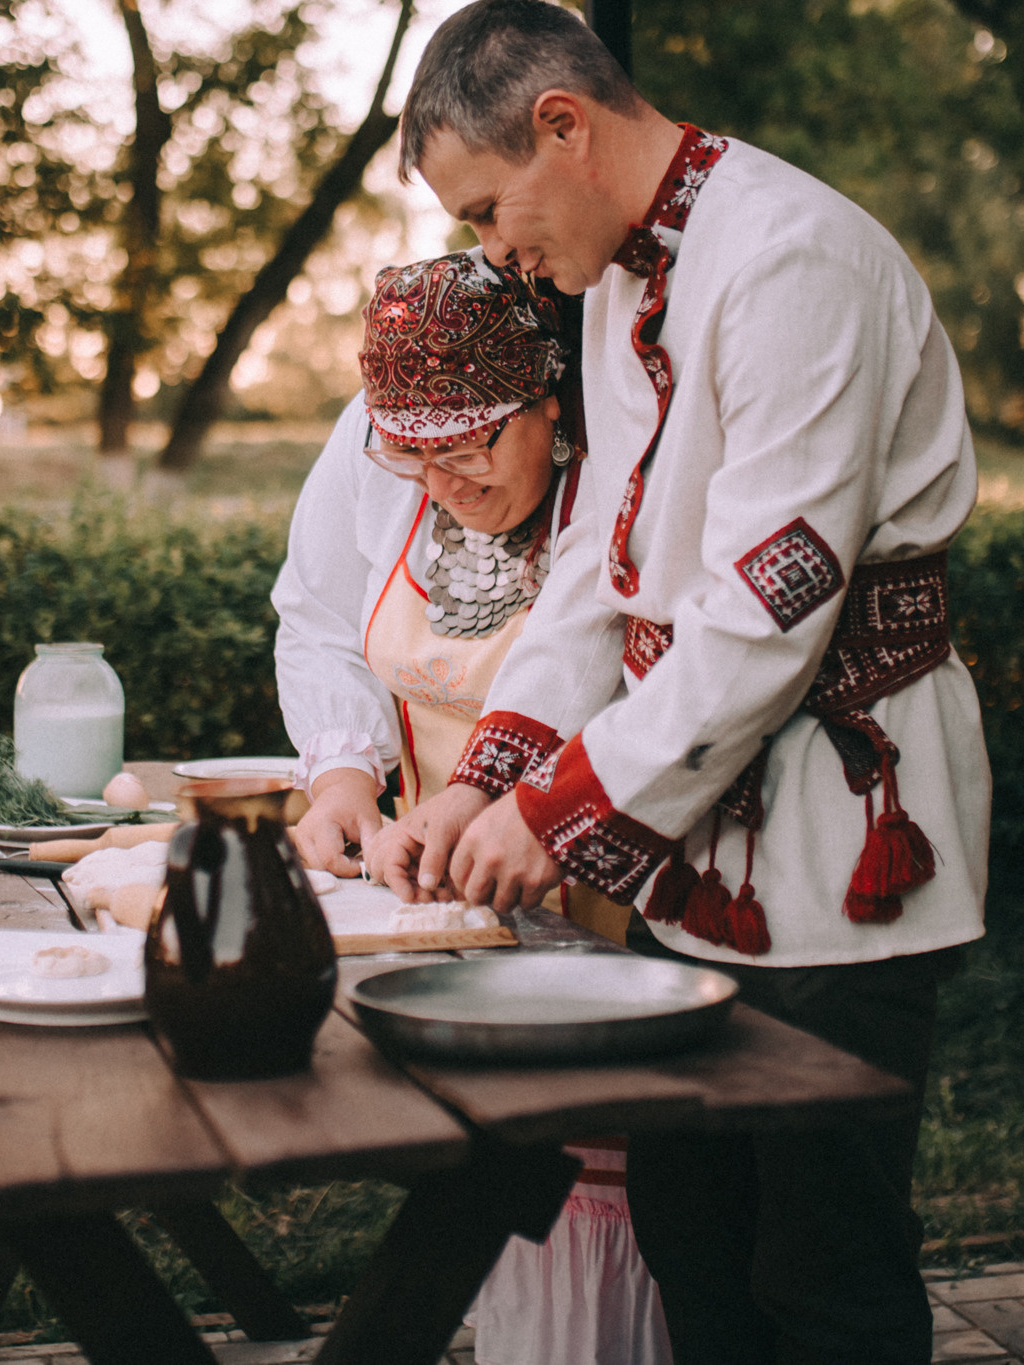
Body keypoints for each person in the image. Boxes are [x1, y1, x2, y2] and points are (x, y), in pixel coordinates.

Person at [372, 0, 991, 1365]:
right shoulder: (614, 274)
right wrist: (488, 775)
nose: (495, 250)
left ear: (563, 127)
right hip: (692, 855)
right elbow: (605, 556)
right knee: (692, 1243)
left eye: (486, 208)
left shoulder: (793, 260)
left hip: (839, 839)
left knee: (823, 1272)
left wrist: (554, 816)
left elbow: (768, 605)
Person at [272, 251, 669, 1365]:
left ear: (548, 402)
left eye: (471, 447)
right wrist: (343, 773)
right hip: (447, 888)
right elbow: (315, 618)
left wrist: (534, 811)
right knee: (502, 1177)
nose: (442, 481)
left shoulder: (621, 471)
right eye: (413, 457)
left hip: (614, 874)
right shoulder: (375, 445)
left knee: (627, 1178)